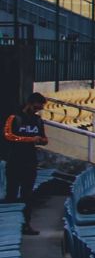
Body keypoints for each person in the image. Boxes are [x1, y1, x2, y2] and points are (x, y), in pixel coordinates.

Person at [3, 93, 47, 233]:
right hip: (15, 160)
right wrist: (29, 140)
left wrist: (41, 141)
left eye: (39, 108)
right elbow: (8, 136)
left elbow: (45, 139)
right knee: (12, 193)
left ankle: (25, 224)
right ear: (29, 103)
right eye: (35, 107)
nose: (36, 110)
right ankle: (8, 227)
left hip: (30, 161)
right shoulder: (14, 117)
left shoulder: (38, 120)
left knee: (27, 195)